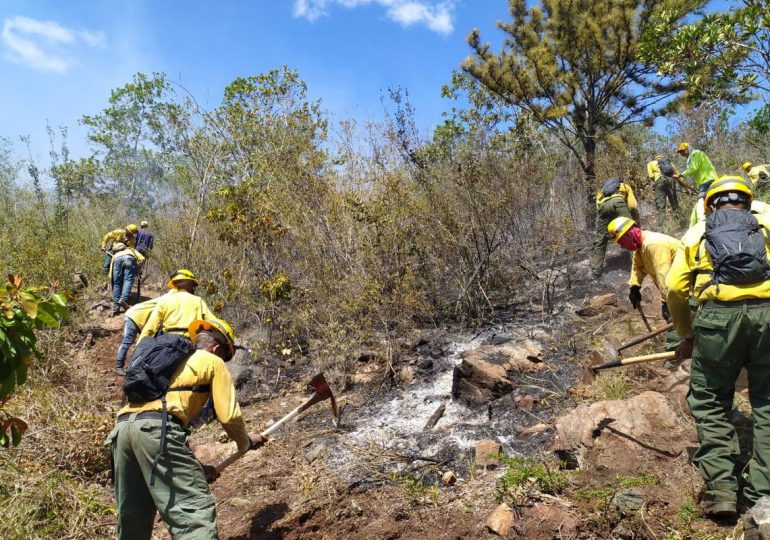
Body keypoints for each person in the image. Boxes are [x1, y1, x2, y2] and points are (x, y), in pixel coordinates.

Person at [106, 317, 267, 539]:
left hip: (122, 431)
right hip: (157, 430)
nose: (224, 361)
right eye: (225, 356)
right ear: (217, 348)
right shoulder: (212, 362)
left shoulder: (170, 361)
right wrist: (244, 443)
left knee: (133, 517)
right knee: (194, 513)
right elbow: (229, 416)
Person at [666, 175, 770, 518]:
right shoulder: (766, 224)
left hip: (717, 320)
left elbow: (675, 289)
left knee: (710, 399)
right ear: (747, 201)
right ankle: (762, 492)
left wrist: (687, 334)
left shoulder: (697, 232)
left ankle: (722, 489)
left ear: (711, 205)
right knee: (767, 402)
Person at [607, 217, 678, 321]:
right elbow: (637, 268)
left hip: (689, 285)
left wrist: (667, 302)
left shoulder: (653, 244)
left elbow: (664, 276)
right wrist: (634, 288)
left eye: (621, 242)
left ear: (629, 234)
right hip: (677, 290)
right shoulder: (640, 247)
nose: (622, 247)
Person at [138, 269, 213, 341]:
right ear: (190, 284)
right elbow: (212, 321)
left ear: (174, 284)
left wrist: (141, 344)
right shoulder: (198, 300)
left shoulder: (166, 299)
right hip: (190, 342)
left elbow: (151, 325)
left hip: (167, 341)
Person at [591, 177, 640, 279]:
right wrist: (636, 223)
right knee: (630, 233)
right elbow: (632, 206)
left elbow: (598, 206)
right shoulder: (625, 186)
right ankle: (638, 265)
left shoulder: (602, 191)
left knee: (600, 239)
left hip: (603, 207)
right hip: (618, 203)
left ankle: (596, 271)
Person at [115, 296, 162, 376]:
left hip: (141, 318)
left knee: (146, 342)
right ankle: (118, 367)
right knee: (128, 341)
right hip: (134, 316)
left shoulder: (167, 300)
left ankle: (139, 365)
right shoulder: (167, 302)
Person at [674, 143, 718, 225]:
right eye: (680, 152)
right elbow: (696, 171)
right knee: (710, 201)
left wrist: (681, 174)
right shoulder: (693, 157)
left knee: (700, 199)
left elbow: (694, 168)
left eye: (682, 151)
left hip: (707, 179)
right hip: (705, 181)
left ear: (687, 149)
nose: (681, 154)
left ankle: (702, 220)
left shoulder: (695, 153)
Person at [109, 243, 145, 315]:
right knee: (128, 280)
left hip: (117, 260)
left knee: (117, 284)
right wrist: (137, 268)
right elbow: (142, 259)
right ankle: (123, 299)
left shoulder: (115, 255)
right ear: (124, 247)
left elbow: (111, 268)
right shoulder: (130, 250)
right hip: (129, 258)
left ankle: (116, 306)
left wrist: (111, 277)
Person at [647, 154, 680, 227]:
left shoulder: (651, 163)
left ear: (655, 158)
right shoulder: (669, 163)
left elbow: (651, 176)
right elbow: (677, 174)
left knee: (661, 205)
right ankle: (681, 220)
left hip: (660, 181)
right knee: (674, 201)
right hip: (670, 181)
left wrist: (656, 182)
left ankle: (661, 226)